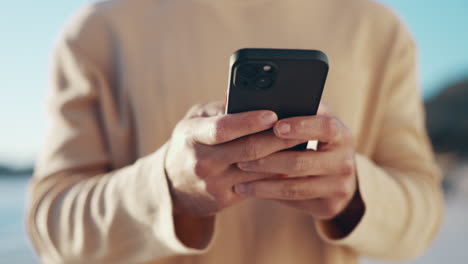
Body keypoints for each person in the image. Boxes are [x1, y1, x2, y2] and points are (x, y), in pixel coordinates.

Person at [26, 0, 443, 263]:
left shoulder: (378, 28)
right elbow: (50, 231)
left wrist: (352, 192)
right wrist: (165, 188)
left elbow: (423, 220)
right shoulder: (99, 30)